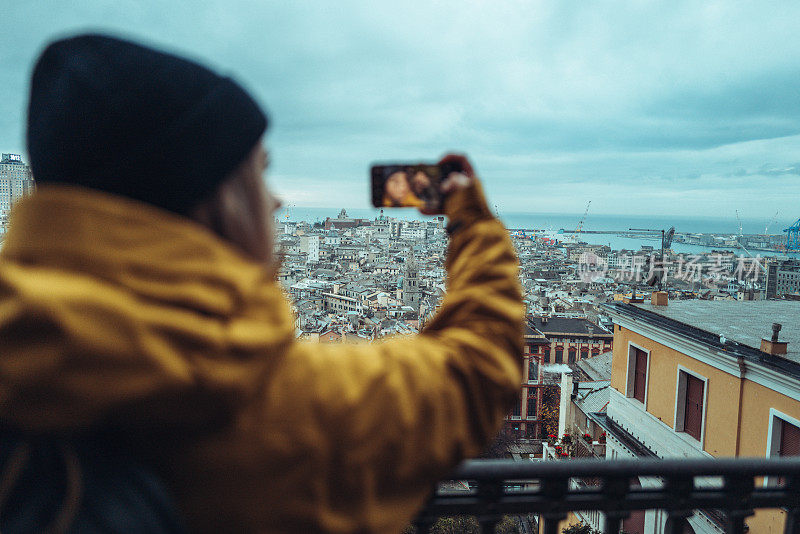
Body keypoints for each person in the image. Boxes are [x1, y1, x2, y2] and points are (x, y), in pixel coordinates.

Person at [0, 33, 524, 533]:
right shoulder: (275, 407)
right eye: (260, 175)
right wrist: (471, 219)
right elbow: (477, 368)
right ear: (216, 198)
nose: (275, 202)